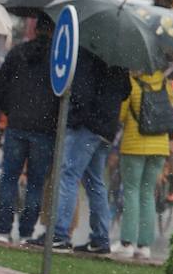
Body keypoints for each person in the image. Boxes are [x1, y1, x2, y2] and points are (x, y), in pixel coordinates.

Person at [27, 48, 129, 254]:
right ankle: (100, 237)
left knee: (68, 175)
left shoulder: (89, 54)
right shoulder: (120, 59)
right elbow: (126, 90)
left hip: (86, 126)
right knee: (95, 182)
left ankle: (59, 233)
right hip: (106, 128)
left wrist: (75, 113)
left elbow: (81, 91)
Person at [0, 16, 59, 243]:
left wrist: (10, 111)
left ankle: (3, 229)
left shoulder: (18, 53)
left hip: (17, 124)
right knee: (36, 182)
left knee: (9, 178)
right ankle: (26, 232)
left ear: (35, 29)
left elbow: (1, 85)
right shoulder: (58, 59)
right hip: (44, 129)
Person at [114, 69, 173, 260]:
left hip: (135, 145)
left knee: (131, 191)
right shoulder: (166, 84)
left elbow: (121, 115)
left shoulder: (132, 83)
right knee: (148, 193)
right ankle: (144, 245)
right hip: (160, 146)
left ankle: (127, 243)